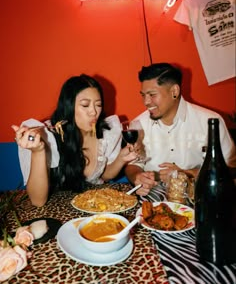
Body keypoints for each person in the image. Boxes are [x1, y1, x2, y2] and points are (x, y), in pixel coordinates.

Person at [12, 74, 137, 207]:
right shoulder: (49, 136)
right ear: (69, 107)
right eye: (85, 105)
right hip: (58, 211)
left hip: (94, 208)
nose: (94, 112)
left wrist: (121, 159)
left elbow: (103, 176)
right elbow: (38, 201)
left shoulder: (105, 133)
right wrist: (38, 151)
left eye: (98, 105)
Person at [125, 63, 236, 196]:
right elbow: (132, 165)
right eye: (143, 95)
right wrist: (137, 177)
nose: (146, 102)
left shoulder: (210, 121)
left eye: (152, 95)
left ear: (174, 92)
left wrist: (188, 174)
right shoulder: (138, 124)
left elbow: (231, 168)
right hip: (153, 198)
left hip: (199, 196)